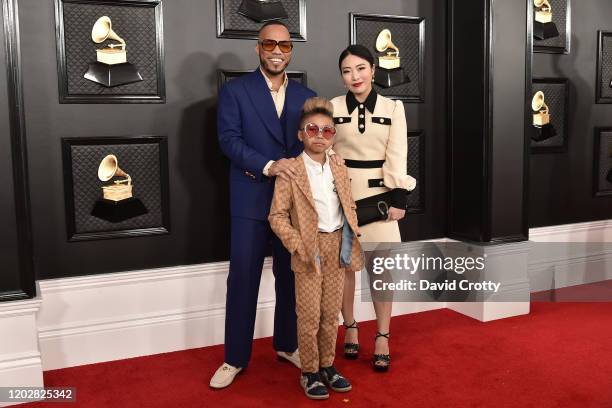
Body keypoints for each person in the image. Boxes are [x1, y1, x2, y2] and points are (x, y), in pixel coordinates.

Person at [210, 21, 316, 389]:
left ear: (291, 50)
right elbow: (229, 140)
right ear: (258, 48)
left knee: (290, 278)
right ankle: (234, 358)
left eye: (284, 46)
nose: (276, 51)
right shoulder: (236, 91)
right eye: (269, 44)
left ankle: (287, 345)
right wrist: (270, 165)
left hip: (295, 205)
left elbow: (314, 145)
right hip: (251, 198)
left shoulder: (307, 94)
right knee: (242, 280)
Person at [269, 97, 364, 400]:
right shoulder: (292, 171)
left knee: (329, 313)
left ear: (333, 135)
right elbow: (277, 216)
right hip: (309, 249)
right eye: (312, 129)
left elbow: (346, 204)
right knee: (308, 315)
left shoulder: (337, 165)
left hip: (338, 244)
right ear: (301, 134)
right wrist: (298, 246)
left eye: (327, 130)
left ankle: (328, 366)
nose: (320, 136)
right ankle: (309, 372)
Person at [330, 45, 416, 372]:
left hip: (380, 198)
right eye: (348, 71)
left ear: (373, 70)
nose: (355, 76)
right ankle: (350, 327)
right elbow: (322, 150)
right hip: (341, 198)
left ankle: (382, 335)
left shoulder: (394, 108)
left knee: (381, 272)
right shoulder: (331, 106)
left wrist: (399, 200)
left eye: (361, 68)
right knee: (345, 270)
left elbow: (398, 154)